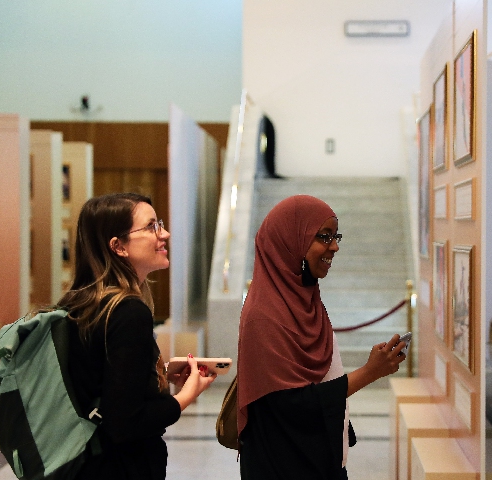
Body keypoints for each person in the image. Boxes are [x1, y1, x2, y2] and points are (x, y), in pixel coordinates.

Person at [237, 195, 407, 480]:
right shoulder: (264, 317)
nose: (335, 246)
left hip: (317, 456)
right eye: (324, 237)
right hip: (282, 465)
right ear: (290, 241)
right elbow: (291, 404)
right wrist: (369, 372)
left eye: (335, 236)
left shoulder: (306, 299)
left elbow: (322, 378)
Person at [57, 192, 215, 480]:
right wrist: (186, 395)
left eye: (161, 224)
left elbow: (101, 381)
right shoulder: (127, 312)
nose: (164, 234)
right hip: (117, 468)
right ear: (118, 246)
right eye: (151, 227)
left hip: (84, 463)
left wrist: (159, 375)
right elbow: (126, 422)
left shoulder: (81, 303)